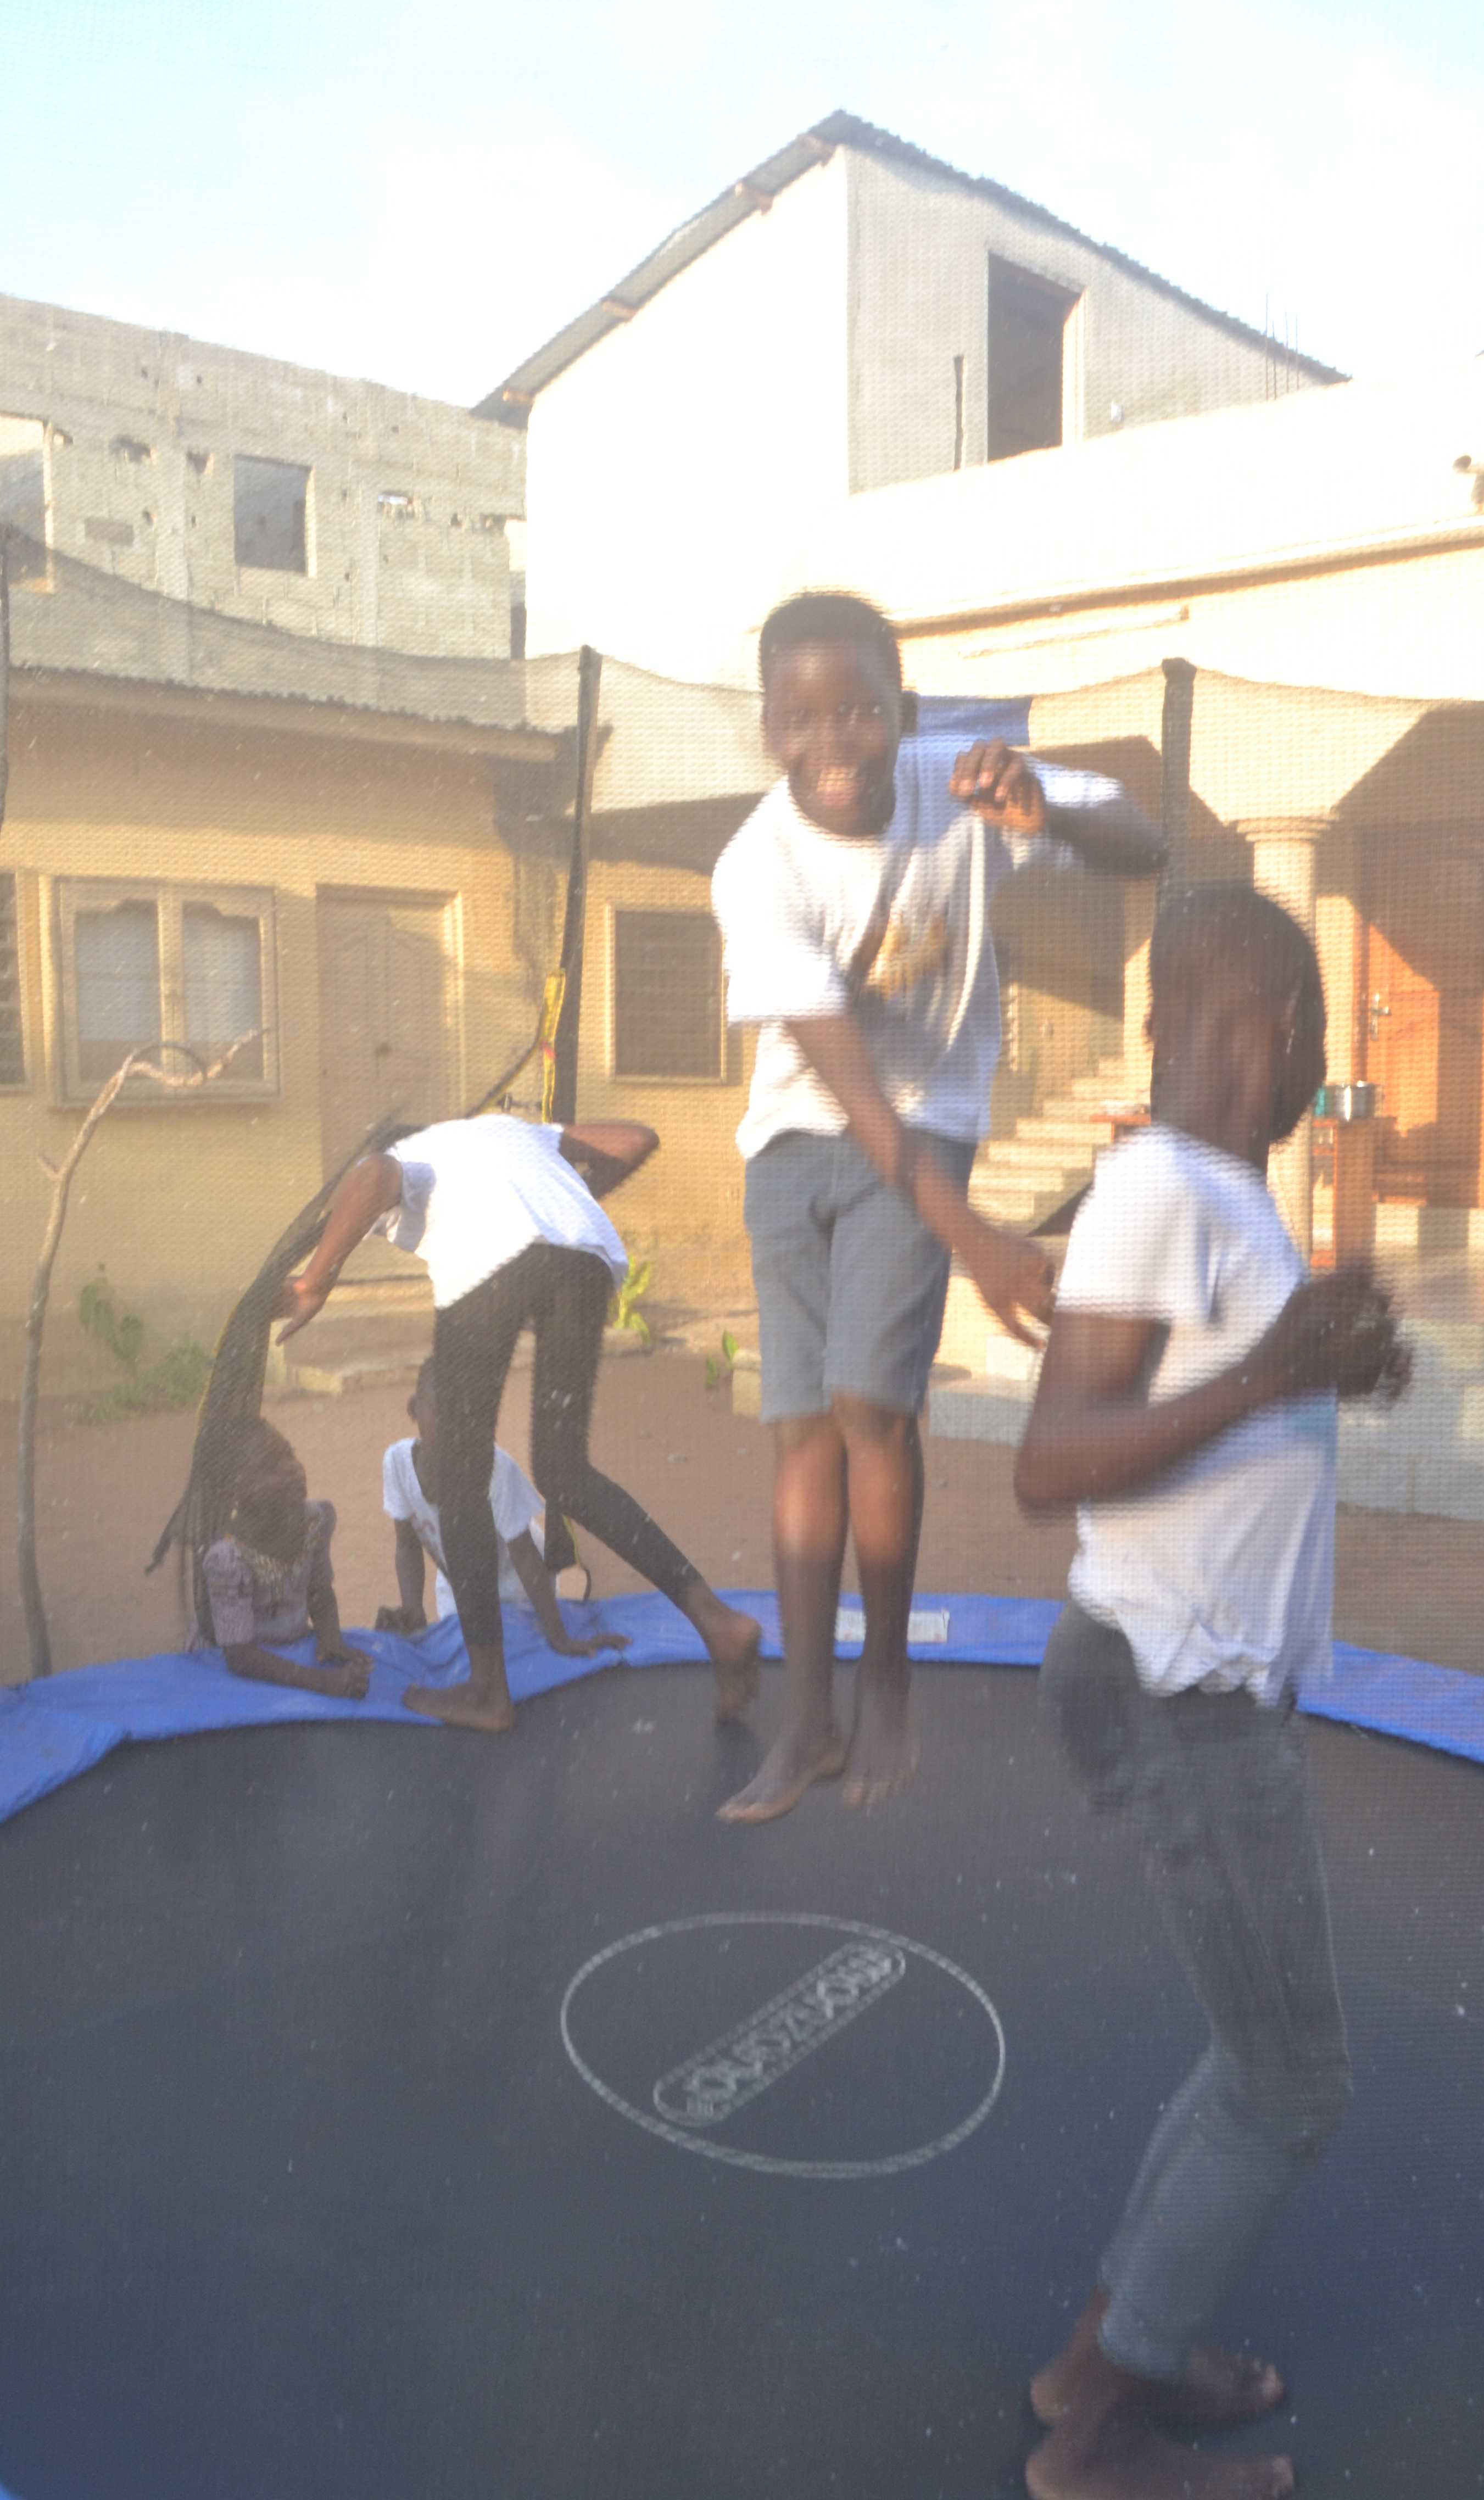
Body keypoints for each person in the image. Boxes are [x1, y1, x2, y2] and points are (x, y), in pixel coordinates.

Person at [1012, 884, 1409, 2500]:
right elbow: (1049, 1459)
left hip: (1200, 1677)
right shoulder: (1157, 1186)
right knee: (1291, 2079)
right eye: (1307, 1035)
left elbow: (1233, 1402)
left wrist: (1325, 1365)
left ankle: (1102, 2355)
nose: (1307, 1064)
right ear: (1277, 1031)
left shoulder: (1227, 1197)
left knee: (1254, 2055)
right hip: (1175, 1690)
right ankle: (1098, 2439)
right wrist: (1274, 1369)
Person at [711, 589, 1165, 1823]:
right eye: (803, 718)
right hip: (798, 1135)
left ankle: (888, 1679)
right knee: (798, 1428)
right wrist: (977, 1245)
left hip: (926, 1125)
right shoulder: (756, 864)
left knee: (869, 1405)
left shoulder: (960, 782)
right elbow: (842, 1079)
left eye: (860, 711)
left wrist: (1047, 808)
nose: (834, 742)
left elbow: (1143, 842)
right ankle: (808, 1719)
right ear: (770, 728)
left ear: (902, 711)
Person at [275, 1111, 761, 1732]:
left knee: (461, 1476)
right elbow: (637, 1139)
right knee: (564, 1472)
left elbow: (373, 1175)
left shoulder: (408, 1154)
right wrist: (559, 1209)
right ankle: (718, 1622)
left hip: (492, 1262)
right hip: (583, 1255)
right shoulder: (510, 1130)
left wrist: (315, 1282)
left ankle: (487, 1692)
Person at [377, 1358, 628, 1662]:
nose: (453, 1428)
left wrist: (560, 1637)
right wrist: (414, 1610)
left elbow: (524, 1555)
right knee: (471, 1663)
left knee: (517, 1664)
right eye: (441, 1413)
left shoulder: (493, 1469)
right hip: (460, 1590)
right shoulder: (397, 1465)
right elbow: (407, 1545)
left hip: (520, 1586)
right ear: (414, 1409)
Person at [200, 1417, 372, 1701]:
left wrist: (330, 1637)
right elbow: (239, 1656)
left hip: (291, 1655)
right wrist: (322, 1681)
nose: (292, 1469)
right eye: (270, 1467)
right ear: (233, 1492)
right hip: (236, 1670)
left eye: (289, 1454)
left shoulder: (314, 1521)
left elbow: (319, 1590)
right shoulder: (229, 1558)